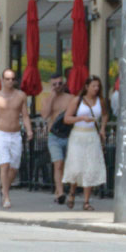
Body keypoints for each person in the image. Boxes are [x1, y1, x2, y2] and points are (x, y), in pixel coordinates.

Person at [0, 68, 33, 209]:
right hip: (1, 133)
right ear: (2, 80)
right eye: (7, 79)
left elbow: (25, 115)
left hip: (15, 134)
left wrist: (29, 130)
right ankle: (6, 195)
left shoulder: (21, 96)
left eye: (12, 79)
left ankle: (4, 187)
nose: (10, 82)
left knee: (14, 167)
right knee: (4, 164)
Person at [61, 75, 108, 210]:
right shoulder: (78, 100)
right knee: (76, 166)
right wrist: (81, 118)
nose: (96, 88)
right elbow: (67, 118)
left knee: (90, 167)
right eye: (93, 86)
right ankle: (72, 193)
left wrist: (103, 128)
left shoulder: (101, 101)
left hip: (92, 135)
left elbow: (105, 114)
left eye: (98, 86)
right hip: (78, 135)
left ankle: (86, 201)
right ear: (87, 87)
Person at [41, 71, 74, 202]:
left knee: (67, 164)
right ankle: (60, 193)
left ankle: (60, 189)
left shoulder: (70, 98)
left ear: (64, 83)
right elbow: (45, 115)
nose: (58, 86)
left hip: (68, 135)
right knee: (58, 163)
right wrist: (52, 96)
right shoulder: (47, 99)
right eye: (55, 84)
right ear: (51, 85)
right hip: (54, 136)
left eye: (60, 83)